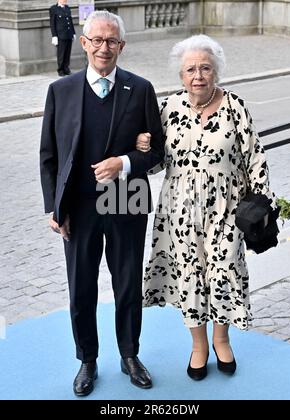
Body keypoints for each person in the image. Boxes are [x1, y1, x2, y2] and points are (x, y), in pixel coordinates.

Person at [136, 34, 276, 381]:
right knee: (190, 276)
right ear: (181, 75)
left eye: (205, 68)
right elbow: (155, 164)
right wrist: (142, 148)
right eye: (190, 70)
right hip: (179, 210)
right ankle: (198, 346)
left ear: (216, 72)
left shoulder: (235, 106)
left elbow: (255, 156)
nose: (198, 75)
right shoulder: (167, 109)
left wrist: (260, 202)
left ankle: (221, 339)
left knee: (224, 271)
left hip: (228, 209)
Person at [40, 10, 164, 396]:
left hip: (126, 196)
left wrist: (125, 162)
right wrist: (53, 207)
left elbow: (158, 152)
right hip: (78, 206)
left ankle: (130, 354)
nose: (103, 48)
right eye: (96, 40)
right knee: (81, 287)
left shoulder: (140, 88)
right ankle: (87, 360)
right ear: (83, 43)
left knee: (127, 283)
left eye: (111, 41)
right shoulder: (61, 91)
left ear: (122, 46)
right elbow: (48, 155)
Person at [49, 0, 76, 76]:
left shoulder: (67, 8)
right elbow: (52, 23)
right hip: (60, 35)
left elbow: (70, 21)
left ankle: (66, 68)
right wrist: (54, 36)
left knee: (67, 53)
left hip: (68, 34)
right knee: (61, 54)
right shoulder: (54, 9)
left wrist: (73, 32)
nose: (65, 0)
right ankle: (60, 70)